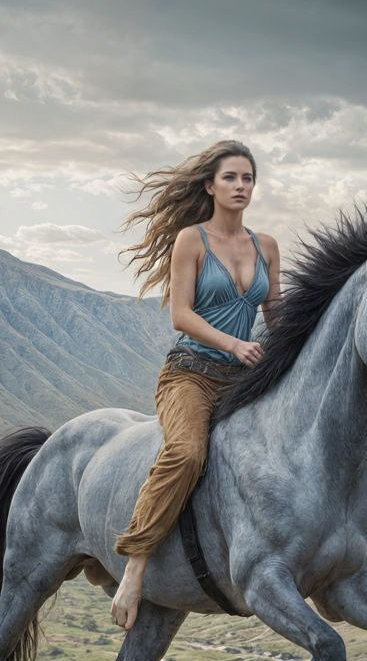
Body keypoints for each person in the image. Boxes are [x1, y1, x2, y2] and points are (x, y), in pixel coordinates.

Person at [110, 139, 282, 631]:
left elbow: (276, 314)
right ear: (210, 185)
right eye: (231, 177)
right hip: (190, 373)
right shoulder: (192, 240)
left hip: (243, 377)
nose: (241, 186)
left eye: (248, 178)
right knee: (186, 453)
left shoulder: (266, 245)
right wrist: (233, 344)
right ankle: (136, 565)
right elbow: (181, 315)